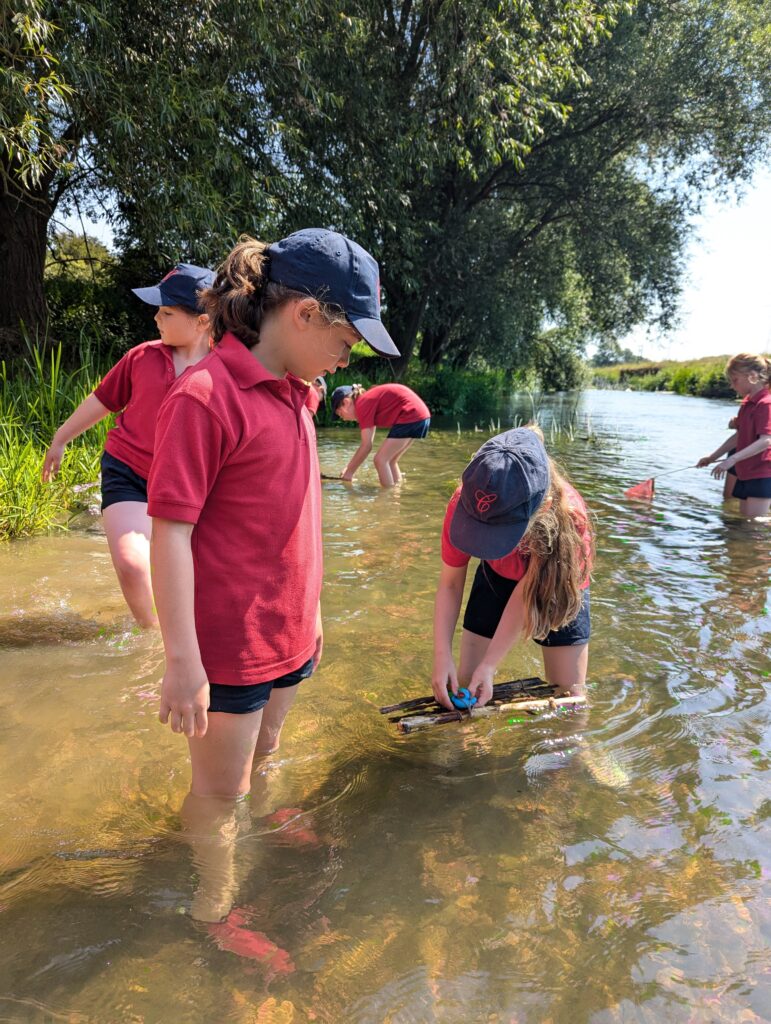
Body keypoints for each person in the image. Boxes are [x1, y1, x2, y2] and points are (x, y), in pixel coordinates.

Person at [146, 229, 399, 921]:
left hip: (289, 632)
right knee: (217, 792)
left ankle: (247, 837)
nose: (352, 356)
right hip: (227, 647)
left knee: (267, 752)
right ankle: (211, 903)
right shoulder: (206, 396)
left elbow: (294, 513)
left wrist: (312, 612)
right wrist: (181, 662)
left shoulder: (301, 392)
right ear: (304, 314)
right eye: (349, 339)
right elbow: (169, 531)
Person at [42, 264, 214, 627]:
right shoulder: (142, 357)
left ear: (202, 322)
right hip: (130, 471)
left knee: (197, 579)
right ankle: (153, 642)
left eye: (166, 312)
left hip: (189, 486)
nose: (156, 318)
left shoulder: (223, 369)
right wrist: (59, 439)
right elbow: (102, 401)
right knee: (134, 565)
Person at [432, 426, 593, 711]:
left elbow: (527, 595)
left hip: (557, 581)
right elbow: (450, 584)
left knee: (569, 701)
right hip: (496, 576)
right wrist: (441, 653)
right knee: (469, 686)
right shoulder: (466, 503)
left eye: (495, 534)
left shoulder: (571, 521)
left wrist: (492, 664)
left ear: (542, 509)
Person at [697, 353, 771, 518]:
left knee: (754, 528)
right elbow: (739, 437)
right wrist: (712, 457)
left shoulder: (766, 403)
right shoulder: (747, 403)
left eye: (734, 380)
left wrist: (732, 459)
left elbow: (766, 441)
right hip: (745, 471)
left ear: (752, 377)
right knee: (745, 523)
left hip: (762, 472)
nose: (732, 386)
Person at [331, 382, 430, 486]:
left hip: (411, 414)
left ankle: (386, 499)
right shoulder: (366, 402)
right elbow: (368, 445)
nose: (342, 419)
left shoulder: (361, 405)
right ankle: (396, 494)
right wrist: (349, 469)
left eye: (340, 414)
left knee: (380, 460)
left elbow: (366, 446)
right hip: (421, 415)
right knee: (390, 461)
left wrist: (349, 472)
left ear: (346, 402)